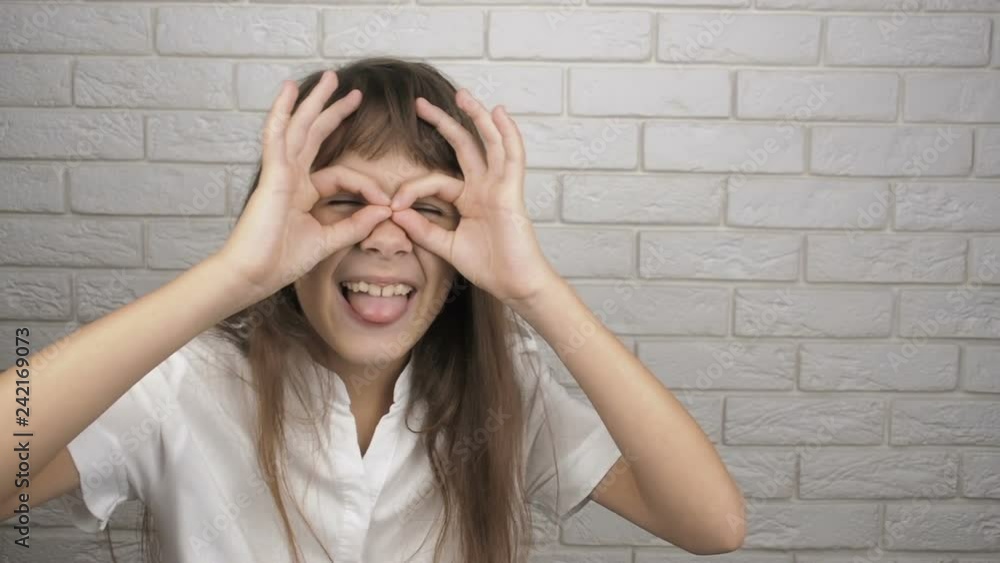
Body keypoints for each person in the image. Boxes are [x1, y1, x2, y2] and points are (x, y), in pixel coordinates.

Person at [0, 56, 745, 563]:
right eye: (346, 202)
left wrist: (535, 289)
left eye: (428, 209)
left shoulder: (503, 386)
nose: (387, 237)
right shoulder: (186, 381)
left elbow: (711, 524)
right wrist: (233, 276)